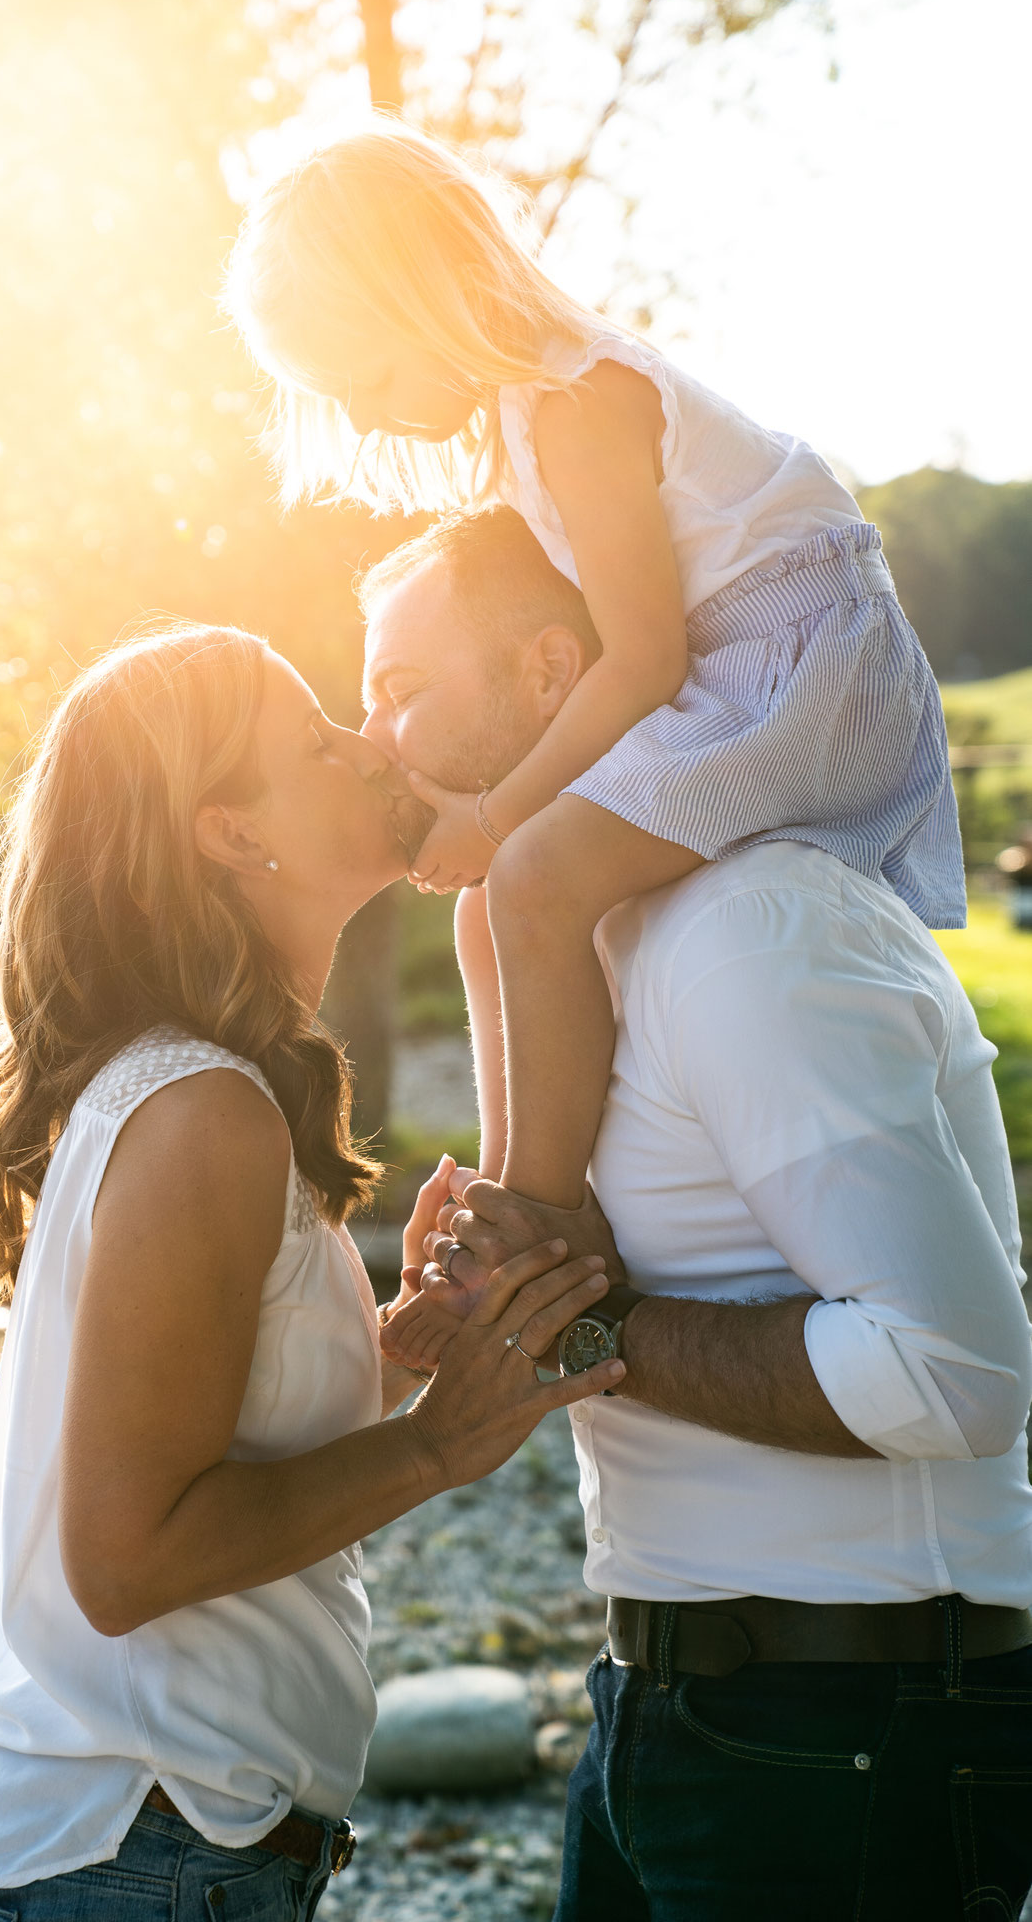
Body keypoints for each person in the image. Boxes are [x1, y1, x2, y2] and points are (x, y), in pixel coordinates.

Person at [360, 511, 1032, 1920]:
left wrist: (583, 1313)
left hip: (849, 1730)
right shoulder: (584, 943)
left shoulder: (745, 930)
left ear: (553, 670)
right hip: (680, 1711)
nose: (376, 740)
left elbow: (957, 1374)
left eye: (404, 690)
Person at [0, 618, 621, 1922]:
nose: (368, 742)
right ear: (232, 832)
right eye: (315, 739)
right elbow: (123, 1561)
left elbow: (203, 1450)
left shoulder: (198, 1096)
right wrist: (438, 1451)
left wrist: (397, 1352)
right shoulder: (201, 1114)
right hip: (120, 1864)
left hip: (137, 1862)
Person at [224, 114, 965, 1219]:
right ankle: (509, 1162)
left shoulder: (579, 404)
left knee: (527, 872)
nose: (367, 413)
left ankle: (546, 1208)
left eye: (367, 374)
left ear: (426, 292)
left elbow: (645, 657)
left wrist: (500, 810)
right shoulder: (526, 420)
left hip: (801, 664)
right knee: (490, 908)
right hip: (734, 668)